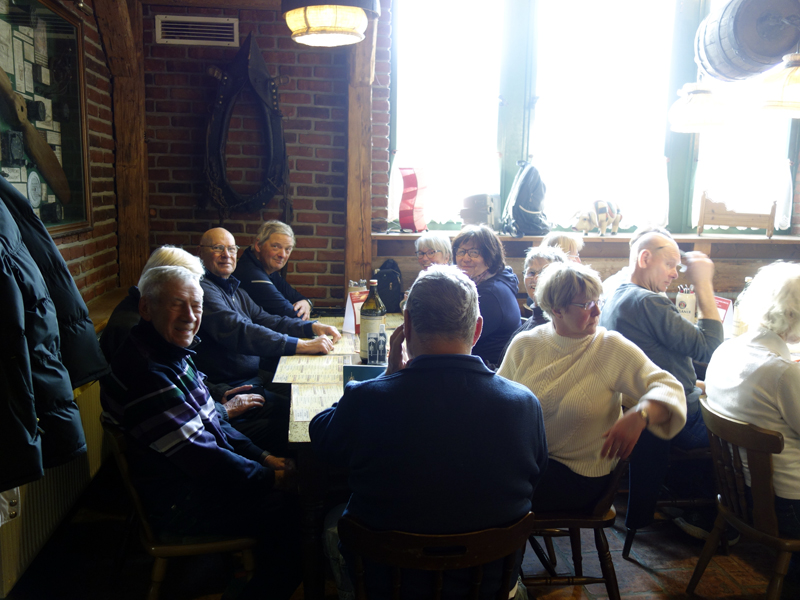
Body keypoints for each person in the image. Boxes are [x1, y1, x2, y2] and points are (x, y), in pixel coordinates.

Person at [310, 265, 548, 600]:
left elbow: (322, 439)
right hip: (490, 584)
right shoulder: (524, 403)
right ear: (477, 329)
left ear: (406, 325)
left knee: (332, 519)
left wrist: (384, 377)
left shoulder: (367, 398)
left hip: (386, 584)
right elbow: (535, 479)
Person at [99, 266, 300, 600]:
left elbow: (214, 424)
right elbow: (207, 460)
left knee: (285, 485)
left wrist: (265, 458)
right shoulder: (149, 373)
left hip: (189, 480)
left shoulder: (170, 353)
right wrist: (272, 478)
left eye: (197, 306)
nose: (191, 316)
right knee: (295, 512)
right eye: (177, 304)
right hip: (179, 502)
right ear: (146, 307)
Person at [497, 261, 685, 513]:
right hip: (530, 463)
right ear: (557, 310)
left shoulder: (610, 347)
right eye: (586, 304)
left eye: (598, 301)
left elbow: (670, 386)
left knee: (495, 494)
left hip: (580, 476)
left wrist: (641, 415)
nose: (597, 311)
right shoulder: (526, 344)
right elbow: (500, 400)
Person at [98, 245, 286, 459]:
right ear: (159, 283)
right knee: (286, 426)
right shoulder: (135, 336)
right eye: (179, 298)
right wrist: (223, 411)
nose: (189, 315)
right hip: (171, 451)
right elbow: (188, 438)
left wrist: (219, 394)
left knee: (284, 413)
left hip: (206, 412)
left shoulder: (157, 329)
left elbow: (186, 383)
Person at [599, 231, 724, 539]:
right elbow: (710, 348)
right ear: (645, 258)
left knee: (716, 395)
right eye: (670, 264)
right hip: (672, 415)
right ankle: (718, 517)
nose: (674, 273)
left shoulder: (615, 290)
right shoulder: (649, 301)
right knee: (741, 430)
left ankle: (680, 493)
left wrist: (693, 382)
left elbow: (658, 359)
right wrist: (703, 283)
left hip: (642, 405)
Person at [705, 262, 800, 542]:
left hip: (739, 495)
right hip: (786, 506)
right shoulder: (783, 373)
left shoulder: (726, 349)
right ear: (792, 314)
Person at [194, 227, 340, 389]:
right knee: (307, 391)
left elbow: (269, 320)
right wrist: (302, 345)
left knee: (315, 383)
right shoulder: (201, 290)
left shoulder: (236, 290)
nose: (226, 255)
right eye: (218, 248)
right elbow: (239, 329)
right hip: (231, 386)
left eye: (231, 249)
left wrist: (312, 326)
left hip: (253, 375)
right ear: (200, 252)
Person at [452, 224, 521, 369]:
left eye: (474, 252)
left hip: (491, 369)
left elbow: (458, 339)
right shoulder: (490, 279)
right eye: (461, 252)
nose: (465, 258)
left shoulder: (489, 294)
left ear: (490, 256)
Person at [496, 246, 567, 365]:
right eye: (531, 273)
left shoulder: (555, 324)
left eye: (544, 273)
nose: (536, 279)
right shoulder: (535, 316)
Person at [234, 220, 314, 320]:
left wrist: (307, 303)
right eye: (275, 246)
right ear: (258, 245)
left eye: (287, 249)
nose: (282, 255)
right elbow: (293, 314)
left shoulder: (268, 268)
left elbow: (295, 297)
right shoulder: (251, 273)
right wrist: (304, 308)